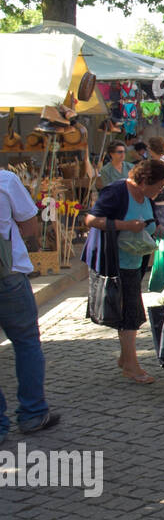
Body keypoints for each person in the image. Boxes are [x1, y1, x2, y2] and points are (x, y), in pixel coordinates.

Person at [84, 159, 164, 386]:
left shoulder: (146, 197)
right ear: (144, 181)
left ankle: (126, 358)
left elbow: (151, 224)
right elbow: (91, 219)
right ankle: (131, 366)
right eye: (159, 185)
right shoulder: (117, 191)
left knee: (130, 310)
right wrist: (126, 225)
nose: (161, 190)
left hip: (134, 261)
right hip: (115, 262)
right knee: (129, 314)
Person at [0, 169, 57, 443]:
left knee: (26, 343)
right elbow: (30, 227)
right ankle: (33, 413)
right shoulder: (5, 180)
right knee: (26, 342)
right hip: (7, 273)